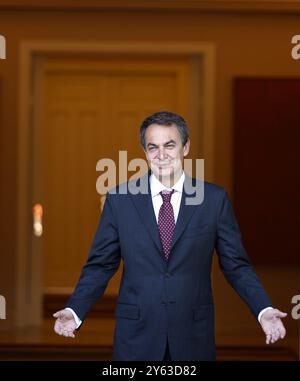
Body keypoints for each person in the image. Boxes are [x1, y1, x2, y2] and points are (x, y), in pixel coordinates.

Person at [53, 111, 287, 361]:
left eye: (170, 145)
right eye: (153, 147)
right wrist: (74, 310)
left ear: (186, 147)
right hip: (136, 338)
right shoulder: (120, 200)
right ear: (144, 151)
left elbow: (236, 266)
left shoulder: (213, 200)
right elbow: (100, 266)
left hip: (193, 337)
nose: (161, 155)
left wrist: (264, 309)